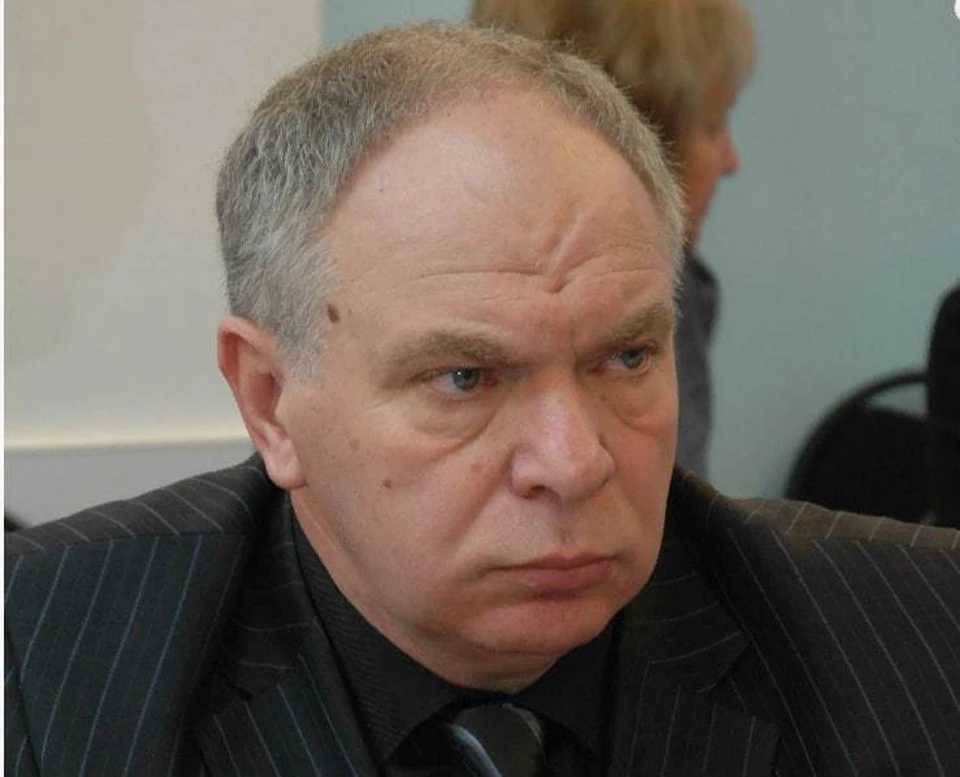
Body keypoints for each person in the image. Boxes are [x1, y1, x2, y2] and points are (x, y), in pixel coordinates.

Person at [5, 23, 959, 777]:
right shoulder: (39, 668)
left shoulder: (922, 638)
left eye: (626, 356)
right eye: (465, 377)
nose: (573, 462)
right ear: (269, 400)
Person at [471, 0, 755, 475]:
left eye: (629, 358)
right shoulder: (661, 296)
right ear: (645, 141)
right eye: (712, 125)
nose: (731, 161)